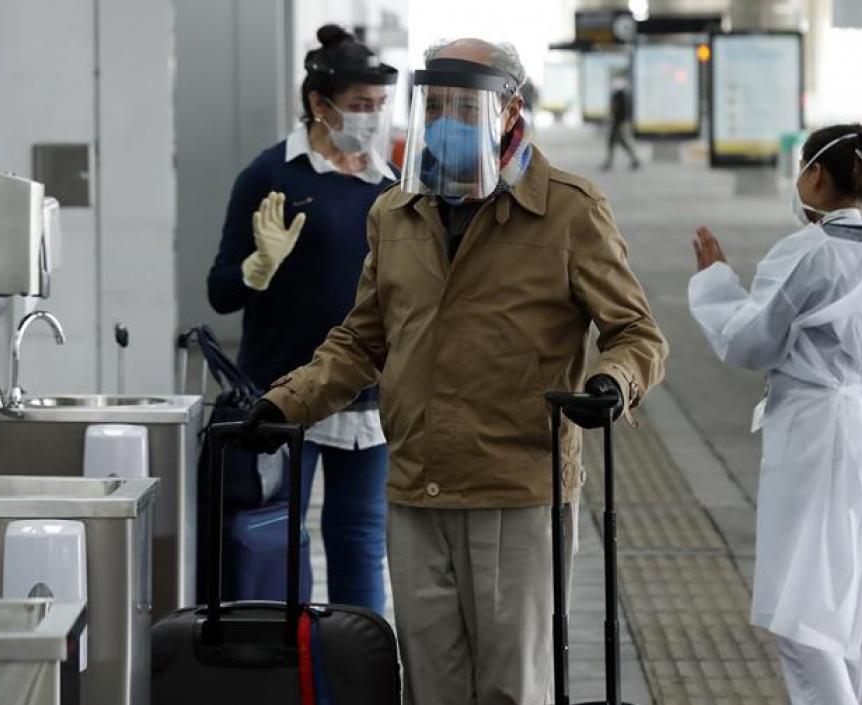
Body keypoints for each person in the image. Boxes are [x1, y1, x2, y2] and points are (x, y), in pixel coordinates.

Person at [244, 37, 668, 705]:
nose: (446, 121)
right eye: (434, 106)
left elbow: (635, 332)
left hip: (516, 488)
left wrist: (611, 384)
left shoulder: (567, 208)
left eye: (465, 107)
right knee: (430, 687)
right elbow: (362, 338)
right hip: (417, 486)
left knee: (509, 687)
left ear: (509, 110)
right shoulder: (396, 211)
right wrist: (285, 403)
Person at [688, 121, 862, 705]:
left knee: (801, 612)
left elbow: (749, 340)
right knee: (850, 604)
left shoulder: (809, 252)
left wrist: (714, 282)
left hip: (821, 436)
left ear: (813, 175)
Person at [207, 24, 398, 613]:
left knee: (360, 540)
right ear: (320, 103)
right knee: (278, 538)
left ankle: (359, 656)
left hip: (367, 397)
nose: (371, 118)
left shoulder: (388, 184)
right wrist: (258, 267)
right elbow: (220, 293)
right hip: (283, 394)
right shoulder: (271, 176)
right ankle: (286, 656)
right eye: (360, 104)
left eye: (379, 105)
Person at [602, 75, 640, 171]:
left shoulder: (618, 96)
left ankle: (609, 162)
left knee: (614, 142)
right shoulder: (624, 95)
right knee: (620, 142)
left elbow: (614, 109)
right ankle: (634, 160)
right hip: (620, 122)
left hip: (617, 123)